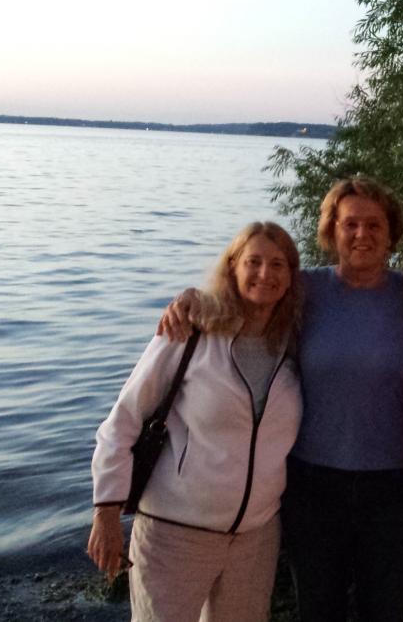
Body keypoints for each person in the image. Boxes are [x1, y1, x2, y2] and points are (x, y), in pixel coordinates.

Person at [161, 177, 403, 622]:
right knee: (318, 610)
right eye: (350, 224)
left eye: (374, 224)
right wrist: (191, 299)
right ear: (331, 232)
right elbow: (246, 292)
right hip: (312, 486)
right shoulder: (305, 289)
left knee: (386, 610)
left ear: (391, 232)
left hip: (392, 489)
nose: (362, 234)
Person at [89, 221, 304, 622]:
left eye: (278, 264)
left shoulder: (294, 342)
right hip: (175, 532)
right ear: (233, 267)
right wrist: (106, 511)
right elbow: (124, 420)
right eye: (253, 262)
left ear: (292, 275)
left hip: (255, 538)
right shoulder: (191, 333)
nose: (265, 274)